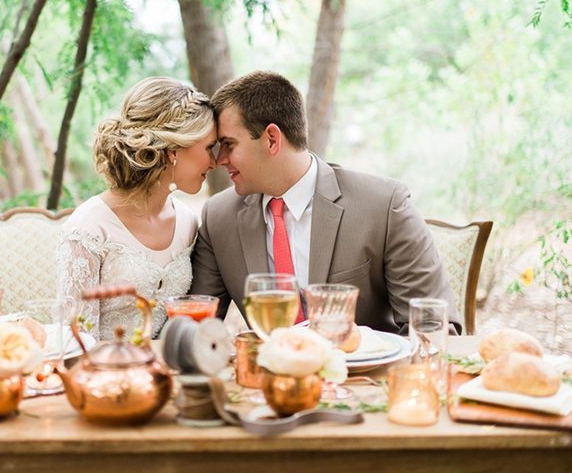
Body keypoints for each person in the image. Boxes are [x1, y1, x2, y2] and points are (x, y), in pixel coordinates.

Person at [190, 71, 459, 334]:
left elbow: (433, 326)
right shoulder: (218, 217)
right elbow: (193, 328)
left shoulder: (384, 206)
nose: (219, 159)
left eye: (228, 144)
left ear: (272, 140)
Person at [57, 77, 217, 340]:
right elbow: (75, 341)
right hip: (105, 373)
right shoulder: (88, 229)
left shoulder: (188, 222)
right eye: (209, 148)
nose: (215, 162)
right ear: (173, 149)